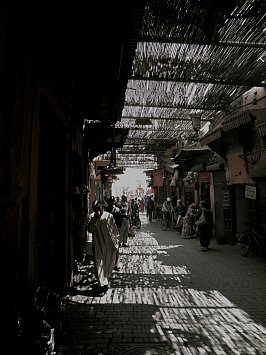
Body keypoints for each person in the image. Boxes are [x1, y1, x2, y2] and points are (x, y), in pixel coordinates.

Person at [88, 200, 120, 295]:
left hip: (108, 245)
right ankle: (102, 285)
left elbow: (114, 231)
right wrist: (93, 220)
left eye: (99, 209)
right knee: (98, 264)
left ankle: (104, 284)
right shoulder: (92, 217)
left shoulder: (109, 216)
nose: (98, 211)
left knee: (107, 264)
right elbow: (90, 230)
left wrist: (116, 243)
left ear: (102, 207)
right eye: (95, 209)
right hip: (97, 245)